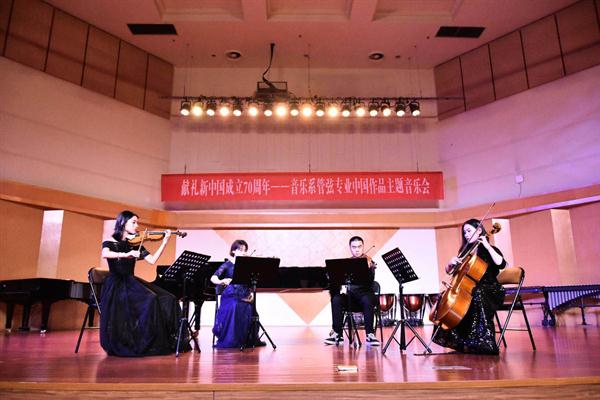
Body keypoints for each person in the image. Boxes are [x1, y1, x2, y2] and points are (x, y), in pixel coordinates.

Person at [100, 210, 187, 357]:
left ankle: (171, 339)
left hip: (131, 281)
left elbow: (152, 260)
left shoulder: (135, 243)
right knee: (150, 298)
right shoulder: (111, 242)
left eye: (137, 222)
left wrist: (164, 242)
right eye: (133, 222)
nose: (137, 225)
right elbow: (105, 254)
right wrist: (125, 254)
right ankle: (144, 340)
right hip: (117, 284)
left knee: (168, 298)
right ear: (123, 222)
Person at [432, 219, 506, 355]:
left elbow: (501, 264)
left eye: (469, 231)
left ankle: (484, 343)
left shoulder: (489, 249)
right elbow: (451, 272)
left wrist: (488, 247)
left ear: (479, 231)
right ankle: (462, 343)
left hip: (490, 289)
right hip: (471, 289)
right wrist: (450, 263)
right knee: (451, 299)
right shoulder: (466, 252)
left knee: (476, 293)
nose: (466, 235)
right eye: (464, 232)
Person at [324, 236, 380, 346]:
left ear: (363, 247)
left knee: (368, 299)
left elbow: (370, 281)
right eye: (354, 247)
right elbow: (338, 280)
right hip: (351, 298)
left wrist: (370, 268)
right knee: (336, 299)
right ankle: (337, 334)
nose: (357, 250)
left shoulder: (369, 262)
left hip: (365, 296)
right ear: (350, 248)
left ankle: (370, 334)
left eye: (359, 247)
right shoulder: (347, 264)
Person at [211, 240, 265, 348]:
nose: (243, 252)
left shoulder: (246, 266)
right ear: (233, 251)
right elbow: (213, 277)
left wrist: (251, 293)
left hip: (244, 294)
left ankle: (248, 339)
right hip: (231, 295)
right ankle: (232, 339)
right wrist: (221, 281)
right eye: (241, 250)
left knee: (252, 310)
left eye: (245, 250)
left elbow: (249, 283)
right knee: (235, 305)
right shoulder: (227, 264)